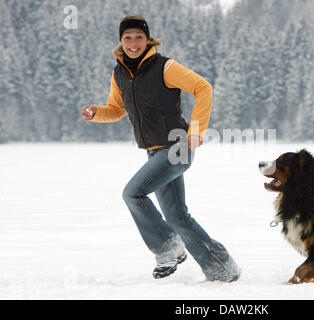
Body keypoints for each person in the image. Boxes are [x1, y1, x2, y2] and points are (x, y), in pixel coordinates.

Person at [81, 15, 240, 282]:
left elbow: (203, 87)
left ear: (148, 39)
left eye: (138, 37)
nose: (133, 43)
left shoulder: (165, 67)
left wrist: (196, 130)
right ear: (121, 41)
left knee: (133, 193)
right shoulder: (119, 73)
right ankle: (222, 268)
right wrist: (97, 112)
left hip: (177, 147)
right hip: (155, 151)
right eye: (127, 37)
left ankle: (168, 247)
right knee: (177, 216)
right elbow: (117, 110)